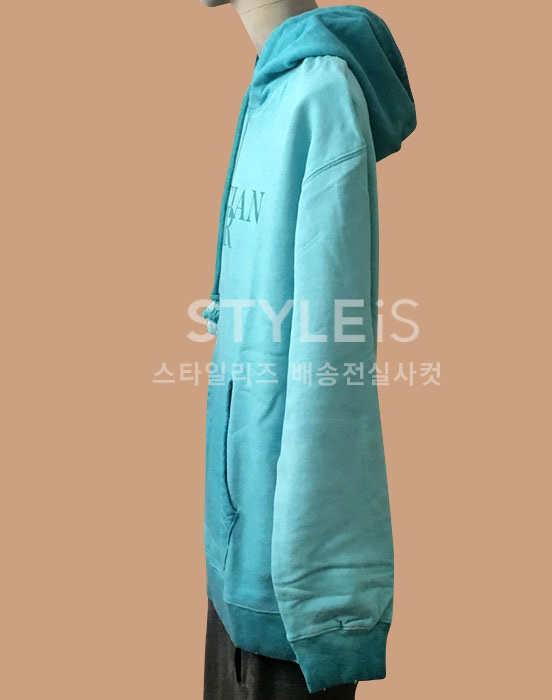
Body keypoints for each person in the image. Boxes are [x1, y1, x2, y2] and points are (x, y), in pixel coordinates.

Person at [198, 1, 417, 697]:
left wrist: (326, 609)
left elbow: (331, 370)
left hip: (291, 594)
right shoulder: (273, 87)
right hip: (239, 558)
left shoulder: (320, 94)